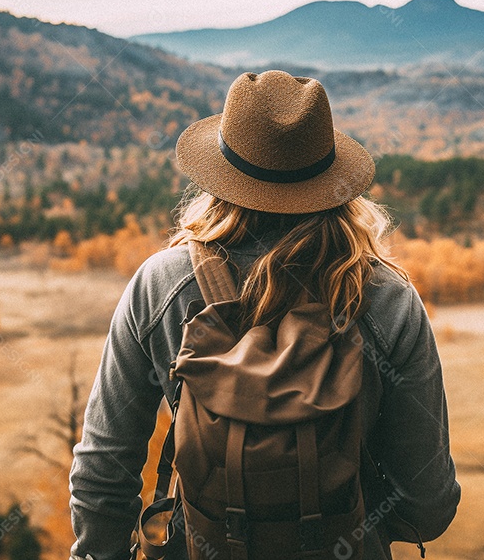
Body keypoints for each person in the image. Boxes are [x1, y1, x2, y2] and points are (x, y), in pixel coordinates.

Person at [70, 70, 460, 560]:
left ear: (219, 177)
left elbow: (103, 471)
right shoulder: (387, 299)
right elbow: (428, 505)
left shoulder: (161, 285)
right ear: (332, 181)